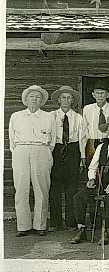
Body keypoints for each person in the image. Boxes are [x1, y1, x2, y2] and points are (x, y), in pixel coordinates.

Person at [71, 116, 109, 245]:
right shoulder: (101, 147)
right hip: (100, 184)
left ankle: (108, 231)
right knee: (79, 197)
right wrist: (92, 179)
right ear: (107, 132)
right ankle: (81, 229)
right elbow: (93, 165)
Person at [9, 85, 56, 237]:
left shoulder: (48, 117)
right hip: (21, 150)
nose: (34, 99)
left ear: (42, 100)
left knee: (41, 188)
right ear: (26, 99)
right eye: (31, 96)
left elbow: (52, 140)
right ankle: (23, 226)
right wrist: (19, 151)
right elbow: (12, 140)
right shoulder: (16, 116)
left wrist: (44, 151)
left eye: (38, 97)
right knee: (21, 188)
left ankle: (40, 225)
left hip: (41, 150)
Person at [49, 85, 88, 231]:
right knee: (55, 187)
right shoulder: (51, 116)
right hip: (56, 149)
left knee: (71, 187)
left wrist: (82, 157)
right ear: (58, 100)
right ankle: (55, 222)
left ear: (72, 101)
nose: (66, 100)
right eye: (63, 98)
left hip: (73, 150)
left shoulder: (78, 118)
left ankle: (71, 221)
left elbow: (82, 139)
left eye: (69, 98)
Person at [82, 81, 109, 166]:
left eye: (102, 93)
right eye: (97, 93)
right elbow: (84, 131)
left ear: (108, 95)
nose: (100, 96)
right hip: (92, 143)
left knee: (107, 169)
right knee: (93, 170)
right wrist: (82, 153)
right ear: (93, 95)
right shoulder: (87, 109)